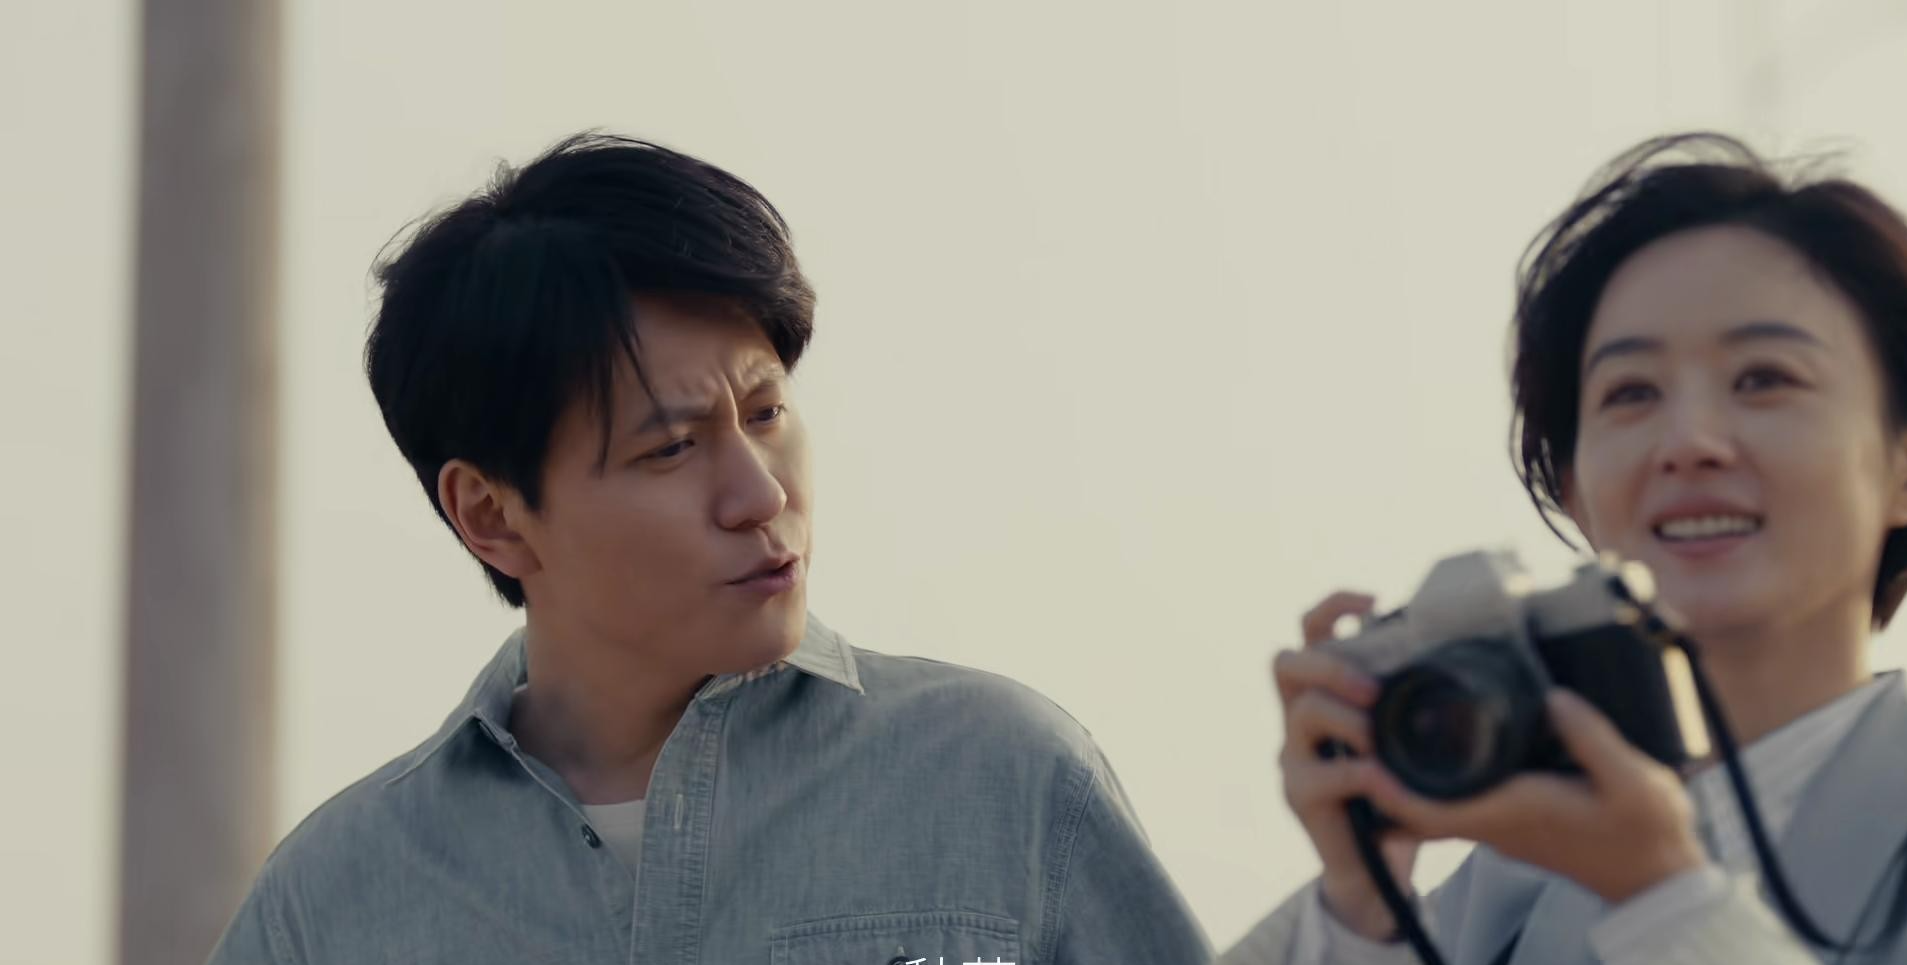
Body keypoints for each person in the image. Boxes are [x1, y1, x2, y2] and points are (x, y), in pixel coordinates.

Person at [205, 132, 1210, 965]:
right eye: (670, 448)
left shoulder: (1004, 780)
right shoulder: (329, 906)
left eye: (766, 411)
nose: (760, 494)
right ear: (492, 515)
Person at [1222, 132, 1907, 965]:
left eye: (1763, 379)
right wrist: (1361, 911)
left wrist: (1660, 897)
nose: (1686, 442)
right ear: (1574, 490)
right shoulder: (1512, 877)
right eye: (1630, 392)